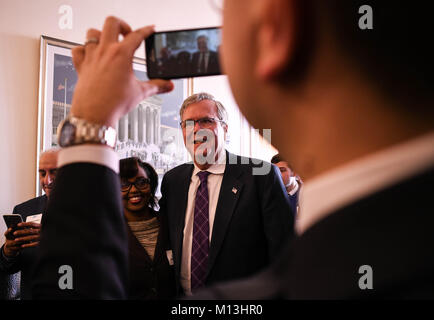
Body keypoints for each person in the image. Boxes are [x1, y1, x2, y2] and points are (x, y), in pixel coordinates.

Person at [159, 92, 293, 296]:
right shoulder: (172, 181)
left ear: (224, 128)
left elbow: (284, 255)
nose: (197, 129)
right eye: (189, 123)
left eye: (206, 121)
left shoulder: (260, 175)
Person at [1, 148, 59, 299]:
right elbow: (9, 267)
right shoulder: (24, 210)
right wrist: (9, 251)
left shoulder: (87, 211)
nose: (47, 180)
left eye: (54, 172)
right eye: (42, 173)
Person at [119, 157, 175, 300]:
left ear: (151, 186)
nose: (133, 190)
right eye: (124, 184)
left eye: (141, 182)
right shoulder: (106, 233)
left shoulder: (171, 224)